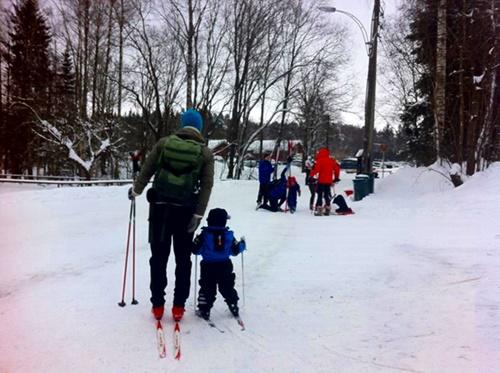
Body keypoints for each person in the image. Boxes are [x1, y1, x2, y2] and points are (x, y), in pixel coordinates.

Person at [128, 108, 214, 322]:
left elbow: (147, 169)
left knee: (158, 257)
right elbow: (206, 186)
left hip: (159, 209)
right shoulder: (205, 153)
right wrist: (198, 215)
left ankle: (157, 305)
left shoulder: (164, 143)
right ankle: (178, 307)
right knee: (183, 260)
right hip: (185, 212)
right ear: (199, 128)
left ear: (182, 124)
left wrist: (136, 191)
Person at [192, 208, 246, 320]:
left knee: (207, 288)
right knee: (227, 286)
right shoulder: (229, 235)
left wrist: (194, 242)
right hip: (225, 265)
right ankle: (233, 304)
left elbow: (196, 250)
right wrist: (242, 244)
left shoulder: (204, 235)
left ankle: (204, 309)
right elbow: (235, 250)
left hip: (207, 266)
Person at [309, 148, 340, 216]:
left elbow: (316, 170)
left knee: (320, 195)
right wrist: (336, 177)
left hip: (321, 180)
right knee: (326, 195)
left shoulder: (320, 160)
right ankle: (327, 209)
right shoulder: (331, 160)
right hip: (329, 181)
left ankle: (319, 210)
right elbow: (337, 169)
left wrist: (311, 176)